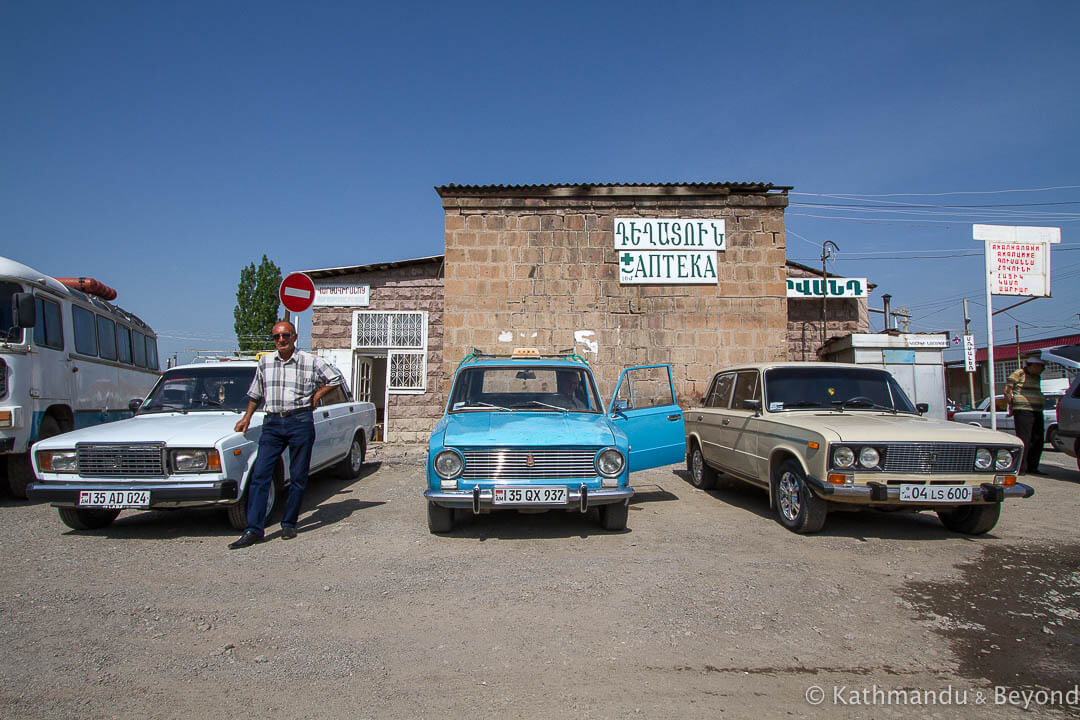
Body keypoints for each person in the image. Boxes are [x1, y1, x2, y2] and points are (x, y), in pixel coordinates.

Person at [228, 321, 343, 549]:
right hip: (272, 423)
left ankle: (289, 522)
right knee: (261, 474)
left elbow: (335, 378)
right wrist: (247, 417)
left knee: (298, 475)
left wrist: (316, 396)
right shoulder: (265, 362)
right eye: (277, 337)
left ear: (294, 336)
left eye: (285, 335)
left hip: (299, 421)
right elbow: (255, 393)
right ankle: (254, 529)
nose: (281, 340)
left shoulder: (310, 361)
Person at [1004, 354, 1046, 476]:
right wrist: (1011, 406)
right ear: (1031, 365)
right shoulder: (1019, 373)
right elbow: (1007, 390)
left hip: (1036, 409)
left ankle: (1033, 467)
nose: (1041, 369)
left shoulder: (1037, 377)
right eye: (1039, 366)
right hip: (1023, 409)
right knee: (1024, 438)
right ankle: (1021, 467)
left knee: (1038, 438)